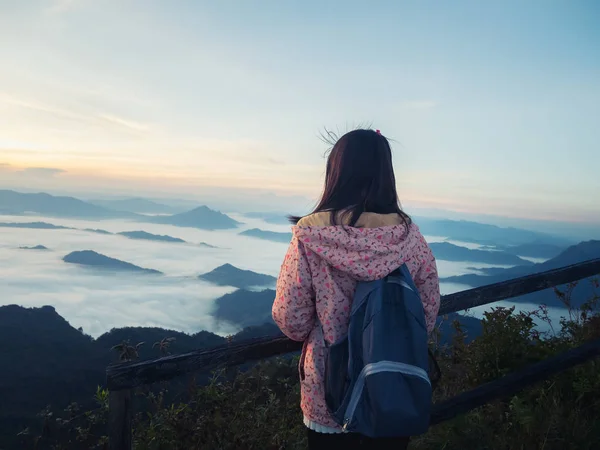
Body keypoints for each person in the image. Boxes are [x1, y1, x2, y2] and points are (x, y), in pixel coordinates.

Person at [272, 129, 441, 450]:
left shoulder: (311, 237)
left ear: (335, 173)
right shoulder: (410, 239)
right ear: (386, 174)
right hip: (391, 389)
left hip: (330, 392)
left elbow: (291, 320)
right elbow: (426, 315)